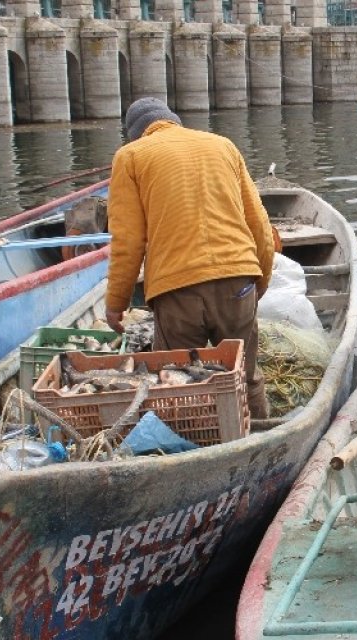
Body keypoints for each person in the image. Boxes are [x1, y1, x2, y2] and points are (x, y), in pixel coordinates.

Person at [104, 97, 275, 419]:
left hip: (176, 290)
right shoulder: (223, 146)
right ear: (175, 121)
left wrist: (116, 303)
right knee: (244, 374)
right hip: (237, 280)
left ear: (136, 133)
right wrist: (259, 280)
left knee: (178, 384)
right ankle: (260, 433)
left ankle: (194, 443)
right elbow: (260, 226)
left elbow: (128, 242)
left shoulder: (130, 156)